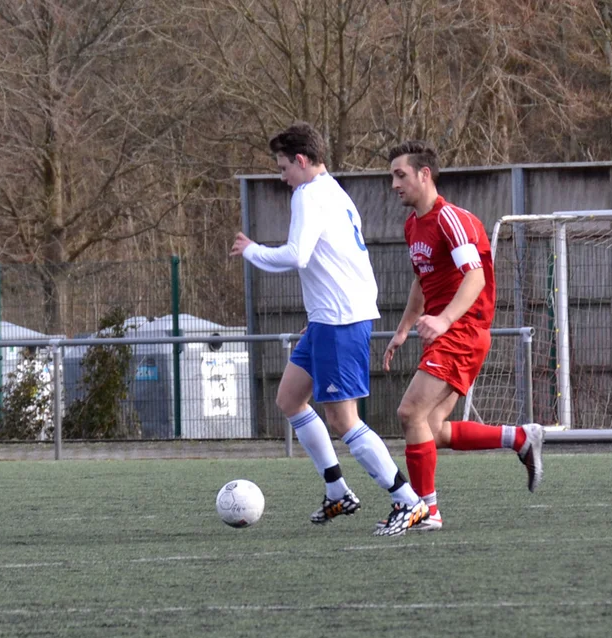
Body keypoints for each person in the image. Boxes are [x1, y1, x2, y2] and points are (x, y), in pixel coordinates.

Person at [230, 122, 428, 537]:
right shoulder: (333, 190)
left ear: (301, 161)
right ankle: (337, 488)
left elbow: (298, 255)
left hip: (339, 318)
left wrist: (252, 251)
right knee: (289, 399)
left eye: (283, 167)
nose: (282, 177)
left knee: (343, 419)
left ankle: (407, 501)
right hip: (328, 316)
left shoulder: (308, 193)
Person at [383, 140, 544, 532]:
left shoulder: (449, 218)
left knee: (409, 413)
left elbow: (475, 276)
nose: (393, 184)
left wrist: (445, 319)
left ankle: (426, 510)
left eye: (400, 175)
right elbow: (423, 280)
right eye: (392, 176)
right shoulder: (412, 225)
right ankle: (520, 437)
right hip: (448, 334)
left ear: (425, 174)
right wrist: (405, 326)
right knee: (431, 429)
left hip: (464, 330)